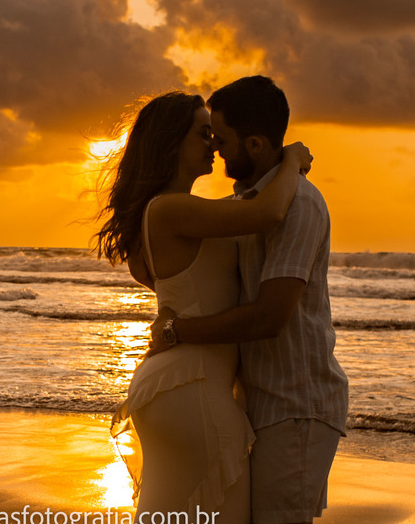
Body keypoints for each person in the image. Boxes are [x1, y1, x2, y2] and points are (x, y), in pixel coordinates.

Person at [95, 90, 313, 521]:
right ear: (170, 143)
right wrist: (291, 161)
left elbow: (186, 288)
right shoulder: (170, 209)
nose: (213, 142)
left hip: (177, 385)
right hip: (193, 386)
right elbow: (268, 213)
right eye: (202, 133)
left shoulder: (169, 213)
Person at [148, 76, 349, 524]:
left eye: (221, 138)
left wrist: (177, 330)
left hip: (295, 406)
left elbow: (269, 317)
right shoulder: (244, 204)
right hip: (256, 403)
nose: (215, 147)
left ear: (255, 145)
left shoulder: (299, 206)